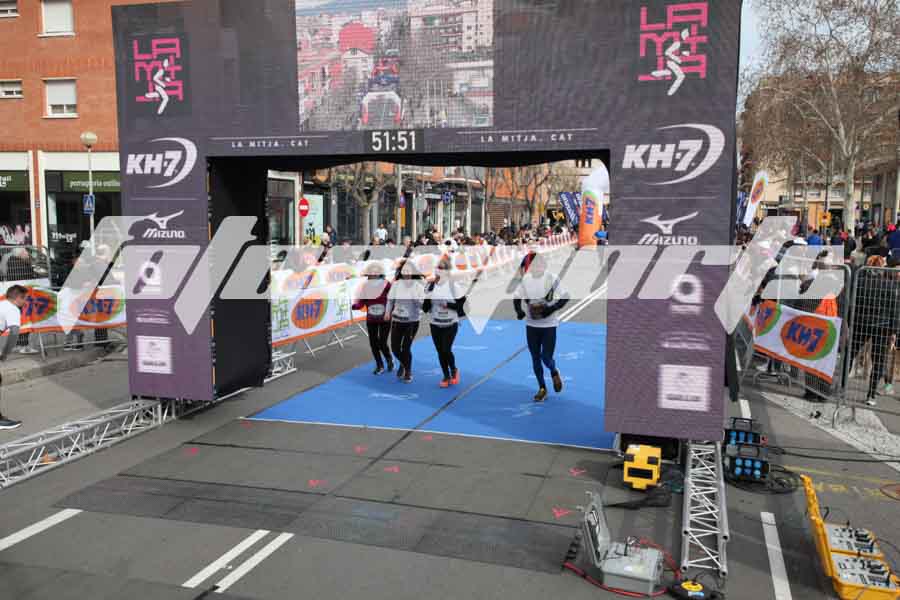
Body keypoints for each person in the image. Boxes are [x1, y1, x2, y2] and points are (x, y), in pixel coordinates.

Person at [513, 252, 569, 402]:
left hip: (549, 325)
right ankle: (542, 388)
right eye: (533, 266)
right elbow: (516, 297)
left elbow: (566, 296)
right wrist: (519, 311)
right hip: (531, 325)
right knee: (535, 357)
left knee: (546, 357)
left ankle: (554, 370)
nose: (536, 268)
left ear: (544, 265)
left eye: (539, 265)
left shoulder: (551, 278)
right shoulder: (526, 280)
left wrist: (551, 309)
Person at [423, 254, 465, 388]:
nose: (439, 270)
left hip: (450, 323)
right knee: (440, 351)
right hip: (435, 323)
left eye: (442, 268)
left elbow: (463, 307)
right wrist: (427, 298)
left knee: (446, 349)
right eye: (437, 268)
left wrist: (447, 305)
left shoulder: (454, 286)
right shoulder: (430, 286)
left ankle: (454, 369)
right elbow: (425, 308)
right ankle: (446, 376)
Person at [385, 260, 425, 383]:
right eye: (404, 270)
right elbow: (390, 300)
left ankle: (408, 371)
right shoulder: (396, 285)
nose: (406, 273)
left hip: (412, 322)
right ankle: (403, 364)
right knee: (395, 348)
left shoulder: (418, 286)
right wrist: (387, 313)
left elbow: (423, 306)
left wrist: (416, 300)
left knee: (406, 348)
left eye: (409, 270)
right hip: (397, 320)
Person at [352, 263, 393, 375]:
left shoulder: (387, 284)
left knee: (382, 342)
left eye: (376, 272)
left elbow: (392, 299)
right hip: (371, 319)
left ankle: (389, 359)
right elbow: (362, 301)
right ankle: (379, 365)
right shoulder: (365, 286)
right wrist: (355, 306)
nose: (374, 274)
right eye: (372, 272)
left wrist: (390, 312)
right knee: (373, 343)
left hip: (385, 318)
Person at [0, 285, 28, 429]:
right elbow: (14, 333)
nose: (25, 302)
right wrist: (5, 353)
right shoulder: (12, 309)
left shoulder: (2, 304)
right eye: (24, 299)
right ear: (17, 298)